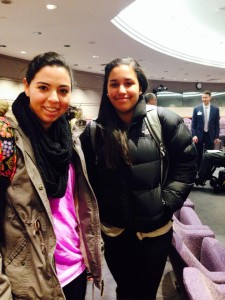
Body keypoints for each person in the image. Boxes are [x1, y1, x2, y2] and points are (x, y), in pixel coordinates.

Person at [80, 57, 197, 300]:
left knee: (145, 293)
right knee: (125, 290)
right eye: (114, 84)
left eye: (128, 83)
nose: (121, 90)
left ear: (140, 86)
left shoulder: (165, 121)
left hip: (154, 234)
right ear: (107, 89)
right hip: (114, 234)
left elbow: (185, 167)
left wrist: (165, 204)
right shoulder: (94, 132)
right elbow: (87, 182)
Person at [0, 52, 103, 300]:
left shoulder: (70, 138)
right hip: (28, 283)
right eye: (43, 87)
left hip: (75, 270)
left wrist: (90, 253)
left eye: (63, 90)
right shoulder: (5, 139)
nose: (54, 99)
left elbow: (76, 207)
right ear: (27, 86)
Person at [191, 90, 220, 167]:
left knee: (209, 154)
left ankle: (207, 171)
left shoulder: (215, 109)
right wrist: (194, 135)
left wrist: (217, 136)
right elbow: (193, 123)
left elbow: (217, 124)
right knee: (198, 154)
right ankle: (198, 171)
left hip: (210, 135)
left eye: (206, 97)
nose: (204, 99)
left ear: (210, 97)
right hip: (199, 135)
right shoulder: (196, 109)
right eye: (202, 97)